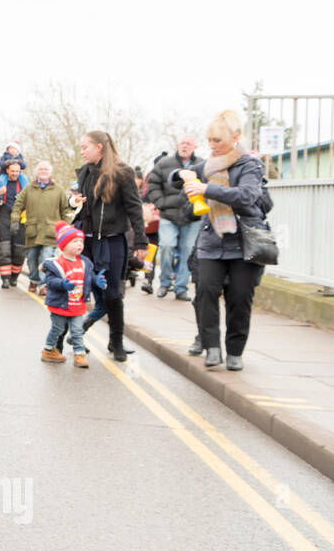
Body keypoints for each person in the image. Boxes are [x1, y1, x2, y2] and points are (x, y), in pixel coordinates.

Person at [175, 111, 268, 370]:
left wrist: (207, 189)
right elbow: (176, 181)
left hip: (243, 243)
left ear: (235, 137)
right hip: (211, 242)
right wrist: (181, 175)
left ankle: (235, 351)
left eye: (217, 140)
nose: (212, 145)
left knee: (239, 299)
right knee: (205, 294)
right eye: (209, 140)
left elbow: (247, 196)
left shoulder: (250, 165)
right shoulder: (205, 166)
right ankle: (211, 347)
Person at [70, 130, 147, 361]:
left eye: (85, 147)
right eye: (81, 147)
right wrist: (74, 202)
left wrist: (141, 240)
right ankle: (77, 335)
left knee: (113, 293)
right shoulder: (84, 172)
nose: (82, 151)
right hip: (88, 241)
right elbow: (80, 207)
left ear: (99, 147)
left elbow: (134, 207)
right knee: (89, 291)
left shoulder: (123, 173)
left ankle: (117, 342)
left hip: (113, 241)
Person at [145, 135, 203, 301]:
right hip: (169, 214)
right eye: (182, 143)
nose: (185, 146)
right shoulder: (165, 163)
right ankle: (164, 283)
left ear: (194, 146)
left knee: (187, 251)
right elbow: (153, 185)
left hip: (192, 216)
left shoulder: (201, 164)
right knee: (167, 247)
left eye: (189, 143)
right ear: (178, 145)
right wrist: (161, 203)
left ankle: (181, 288)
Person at [40, 221, 104, 368]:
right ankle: (48, 350)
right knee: (58, 329)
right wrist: (62, 284)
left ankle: (79, 355)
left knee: (77, 331)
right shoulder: (56, 264)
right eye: (75, 241)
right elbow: (50, 280)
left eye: (81, 241)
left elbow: (89, 276)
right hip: (60, 304)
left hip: (77, 305)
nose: (79, 244)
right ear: (64, 245)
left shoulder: (85, 262)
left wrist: (97, 280)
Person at [11, 161, 70, 294]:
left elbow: (65, 210)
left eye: (46, 169)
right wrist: (15, 220)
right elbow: (17, 205)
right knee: (32, 259)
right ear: (37, 172)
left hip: (51, 232)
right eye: (41, 169)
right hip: (32, 231)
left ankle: (44, 285)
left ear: (50, 172)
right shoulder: (28, 189)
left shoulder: (58, 189)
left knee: (47, 259)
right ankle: (34, 280)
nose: (43, 171)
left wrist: (66, 227)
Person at [0, 161, 27, 288]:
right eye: (13, 171)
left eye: (17, 171)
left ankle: (14, 277)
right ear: (7, 171)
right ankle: (5, 279)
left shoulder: (24, 185)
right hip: (4, 218)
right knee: (4, 251)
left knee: (19, 252)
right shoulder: (0, 183)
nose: (15, 173)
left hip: (20, 220)